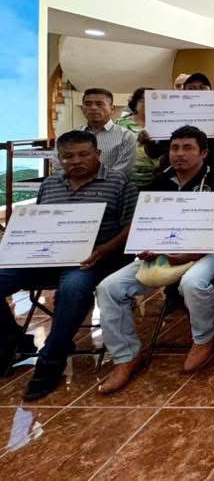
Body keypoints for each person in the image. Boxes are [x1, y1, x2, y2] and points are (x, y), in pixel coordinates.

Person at [96, 126, 214, 393]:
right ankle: (126, 356)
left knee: (193, 282)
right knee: (109, 288)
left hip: (212, 252)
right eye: (175, 148)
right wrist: (145, 246)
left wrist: (195, 253)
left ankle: (203, 340)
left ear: (203, 153)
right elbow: (145, 224)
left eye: (188, 148)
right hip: (162, 254)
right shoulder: (158, 183)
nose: (180, 154)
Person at [0, 131, 137, 400]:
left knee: (73, 288)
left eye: (84, 154)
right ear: (59, 158)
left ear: (97, 154)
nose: (76, 161)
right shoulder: (50, 184)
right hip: (44, 258)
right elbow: (39, 222)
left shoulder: (119, 183)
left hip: (94, 259)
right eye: (68, 156)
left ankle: (51, 359)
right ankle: (13, 342)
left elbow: (131, 227)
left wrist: (104, 250)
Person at [54, 88, 137, 178]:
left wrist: (93, 183)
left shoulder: (126, 137)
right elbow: (59, 167)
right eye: (88, 104)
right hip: (73, 185)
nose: (93, 108)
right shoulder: (68, 138)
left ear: (112, 108)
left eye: (99, 104)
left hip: (112, 186)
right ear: (82, 108)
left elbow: (122, 171)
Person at [116, 86, 160, 187]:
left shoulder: (162, 124)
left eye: (152, 100)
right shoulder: (120, 123)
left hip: (156, 179)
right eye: (143, 99)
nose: (148, 103)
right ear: (135, 103)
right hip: (128, 179)